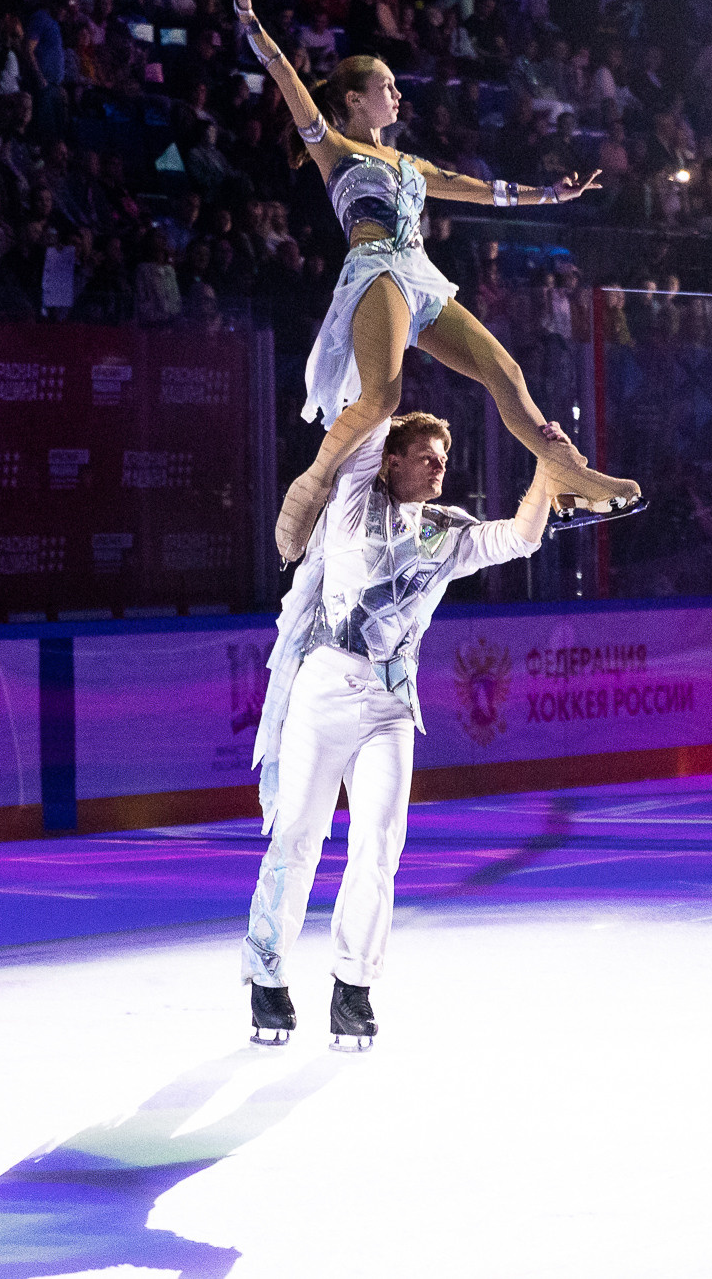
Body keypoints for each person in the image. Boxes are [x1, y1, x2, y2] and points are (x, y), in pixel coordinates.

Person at [224, 0, 643, 562]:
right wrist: (246, 12)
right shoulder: (334, 148)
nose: (398, 93)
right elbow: (288, 80)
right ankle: (309, 487)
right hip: (376, 271)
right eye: (386, 86)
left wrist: (554, 193)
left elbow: (483, 191)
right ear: (355, 100)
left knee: (506, 373)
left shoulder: (411, 164)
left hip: (420, 277)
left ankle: (568, 475)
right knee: (383, 399)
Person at [243, 410, 564, 1049]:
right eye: (426, 455)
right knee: (299, 838)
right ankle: (267, 975)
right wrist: (397, 328)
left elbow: (520, 537)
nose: (440, 465)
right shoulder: (352, 502)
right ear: (391, 462)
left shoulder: (446, 532)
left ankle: (352, 988)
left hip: (390, 706)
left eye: (444, 456)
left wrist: (545, 466)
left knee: (380, 844)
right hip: (322, 691)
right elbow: (368, 417)